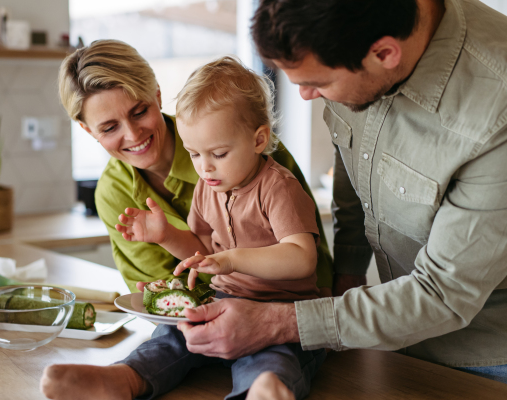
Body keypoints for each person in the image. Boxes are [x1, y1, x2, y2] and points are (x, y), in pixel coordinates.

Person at [176, 0, 507, 387]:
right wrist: (347, 274)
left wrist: (275, 322)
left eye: (317, 83)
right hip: (384, 337)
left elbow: (443, 293)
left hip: (486, 360)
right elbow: (356, 180)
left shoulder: (495, 109)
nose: (304, 97)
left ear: (384, 54)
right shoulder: (346, 50)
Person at [42, 56, 327, 400]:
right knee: (169, 341)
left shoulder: (276, 185)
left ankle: (263, 389)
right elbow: (204, 253)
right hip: (221, 300)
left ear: (259, 140)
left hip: (281, 309)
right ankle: (125, 378)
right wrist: (166, 236)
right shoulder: (211, 185)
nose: (204, 168)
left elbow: (303, 259)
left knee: (271, 358)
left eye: (217, 153)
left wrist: (231, 260)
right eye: (194, 155)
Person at [56, 39, 333, 295]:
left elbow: (308, 257)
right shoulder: (113, 193)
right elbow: (192, 263)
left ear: (157, 95)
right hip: (213, 312)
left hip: (290, 308)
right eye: (109, 127)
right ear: (87, 130)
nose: (133, 135)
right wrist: (165, 276)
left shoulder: (245, 142)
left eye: (139, 111)